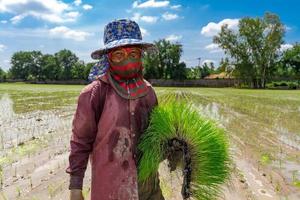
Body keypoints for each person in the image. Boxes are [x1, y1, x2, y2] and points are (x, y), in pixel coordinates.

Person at [66, 19, 165, 200]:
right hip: (110, 190)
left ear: (141, 56)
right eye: (119, 55)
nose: (127, 59)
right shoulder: (94, 94)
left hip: (149, 189)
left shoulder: (148, 92)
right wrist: (75, 187)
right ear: (108, 58)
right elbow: (80, 141)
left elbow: (156, 138)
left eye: (133, 53)